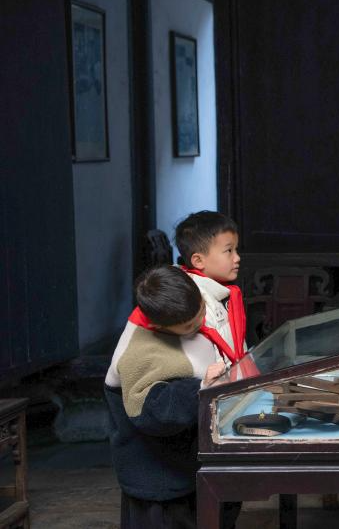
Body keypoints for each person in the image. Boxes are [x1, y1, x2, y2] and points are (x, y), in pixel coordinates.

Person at [105, 265, 227, 529]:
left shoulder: (179, 314)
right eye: (189, 325)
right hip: (157, 481)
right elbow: (152, 411)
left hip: (182, 468)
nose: (199, 323)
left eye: (201, 312)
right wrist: (202, 386)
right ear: (158, 325)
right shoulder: (139, 353)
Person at [174, 211, 248, 365]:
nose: (237, 258)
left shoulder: (221, 290)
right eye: (229, 251)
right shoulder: (196, 302)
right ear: (198, 261)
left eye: (236, 250)